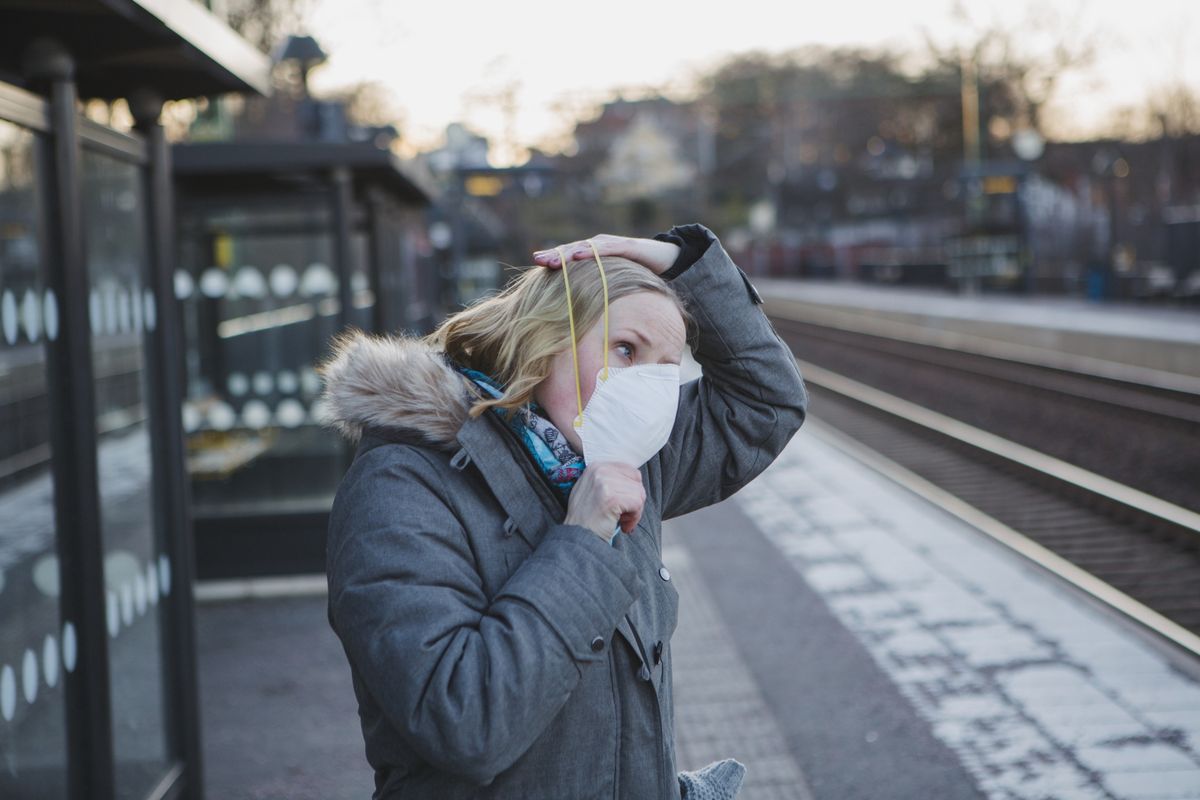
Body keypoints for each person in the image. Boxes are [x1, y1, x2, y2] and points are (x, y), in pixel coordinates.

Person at [318, 223, 808, 799]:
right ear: (547, 336)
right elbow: (465, 723)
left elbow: (766, 402)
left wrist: (680, 263)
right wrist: (582, 540)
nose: (645, 386)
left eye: (664, 368)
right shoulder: (402, 484)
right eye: (626, 349)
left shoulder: (626, 455)